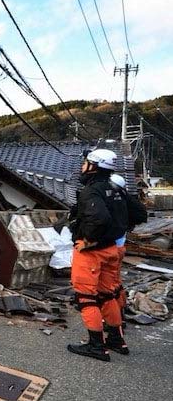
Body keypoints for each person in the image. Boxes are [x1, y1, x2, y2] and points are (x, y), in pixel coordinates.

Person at [67, 149, 129, 361]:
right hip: (112, 248)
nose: (82, 167)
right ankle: (116, 339)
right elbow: (136, 214)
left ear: (94, 165)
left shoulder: (91, 191)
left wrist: (88, 241)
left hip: (92, 253)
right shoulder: (115, 190)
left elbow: (99, 219)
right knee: (107, 294)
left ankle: (96, 346)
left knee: (86, 297)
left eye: (85, 163)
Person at [108, 173, 147, 322]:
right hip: (120, 245)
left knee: (107, 284)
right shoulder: (128, 200)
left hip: (109, 247)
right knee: (115, 280)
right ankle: (120, 310)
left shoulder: (111, 201)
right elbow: (141, 215)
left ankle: (114, 319)